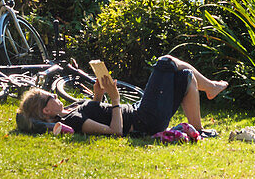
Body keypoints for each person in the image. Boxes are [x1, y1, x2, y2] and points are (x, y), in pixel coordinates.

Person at [16, 55, 227, 138]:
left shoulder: (71, 111)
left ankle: (198, 130)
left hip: (140, 112)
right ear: (46, 110)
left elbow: (98, 113)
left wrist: (97, 95)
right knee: (166, 62)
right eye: (49, 96)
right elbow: (115, 131)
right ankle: (210, 87)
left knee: (184, 77)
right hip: (144, 119)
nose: (54, 95)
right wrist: (115, 99)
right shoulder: (72, 120)